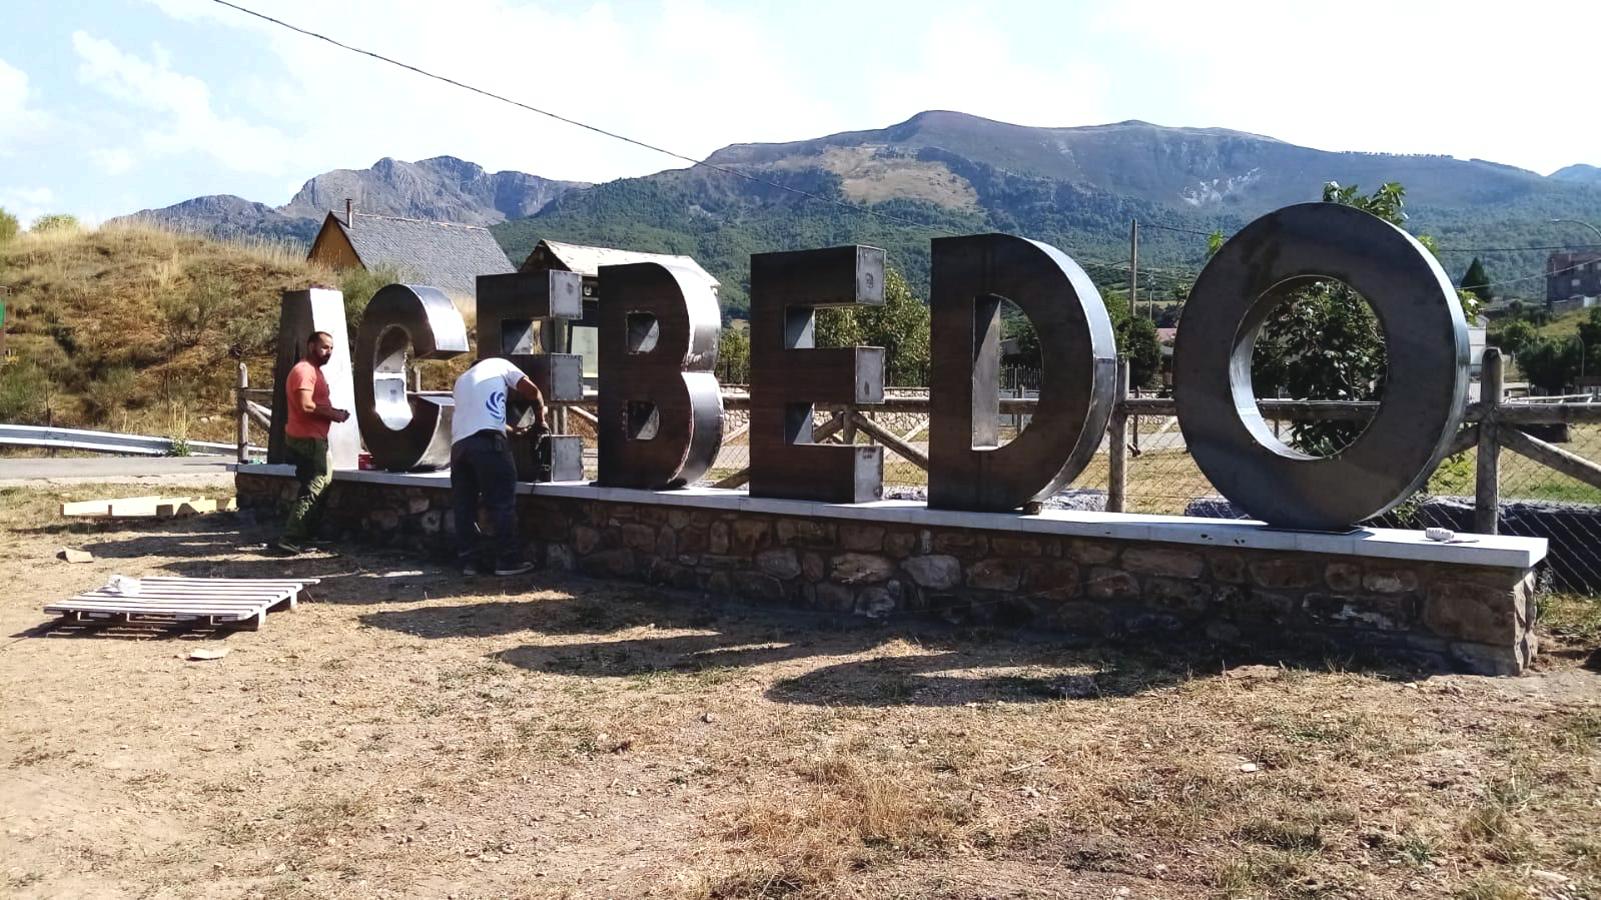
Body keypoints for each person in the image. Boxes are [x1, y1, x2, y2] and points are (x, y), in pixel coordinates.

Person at [451, 357, 548, 576]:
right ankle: (508, 560)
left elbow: (479, 416)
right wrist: (541, 418)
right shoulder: (500, 365)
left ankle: (470, 562)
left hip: (459, 447)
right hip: (487, 444)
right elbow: (533, 391)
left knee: (464, 506)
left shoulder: (461, 380)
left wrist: (513, 432)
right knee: (502, 502)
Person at [278, 331, 349, 554]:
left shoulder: (314, 371)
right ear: (311, 346)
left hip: (313, 436)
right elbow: (305, 406)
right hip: (308, 438)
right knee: (318, 481)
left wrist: (333, 411)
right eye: (324, 347)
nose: (328, 352)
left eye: (331, 348)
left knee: (314, 482)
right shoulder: (304, 371)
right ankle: (291, 536)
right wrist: (333, 415)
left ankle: (304, 534)